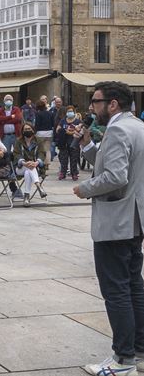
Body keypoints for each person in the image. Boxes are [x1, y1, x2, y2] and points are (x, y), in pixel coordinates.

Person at [73, 82, 144, 376]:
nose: (92, 107)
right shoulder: (137, 126)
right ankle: (139, 351)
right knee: (134, 286)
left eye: (96, 101)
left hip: (117, 220)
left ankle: (123, 360)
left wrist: (84, 188)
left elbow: (114, 176)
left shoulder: (116, 130)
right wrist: (87, 145)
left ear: (112, 104)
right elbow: (112, 163)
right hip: (136, 218)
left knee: (115, 290)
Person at [13, 123, 45, 207]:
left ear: (33, 130)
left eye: (29, 129)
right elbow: (16, 154)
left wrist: (36, 162)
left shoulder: (38, 141)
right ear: (22, 131)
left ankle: (26, 197)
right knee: (29, 168)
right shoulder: (18, 141)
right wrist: (24, 162)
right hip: (20, 167)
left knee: (28, 172)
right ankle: (38, 185)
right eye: (25, 129)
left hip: (34, 166)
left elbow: (42, 153)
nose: (27, 131)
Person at [55, 105, 82, 181]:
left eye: (71, 111)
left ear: (74, 112)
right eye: (68, 111)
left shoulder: (77, 121)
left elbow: (80, 130)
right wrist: (65, 131)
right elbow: (57, 129)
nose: (70, 113)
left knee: (74, 159)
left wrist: (71, 132)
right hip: (64, 143)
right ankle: (63, 173)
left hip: (74, 143)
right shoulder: (63, 120)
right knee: (64, 159)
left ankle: (74, 173)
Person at [33, 100, 56, 166]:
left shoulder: (38, 114)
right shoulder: (50, 113)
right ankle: (47, 163)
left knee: (40, 149)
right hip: (49, 132)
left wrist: (34, 132)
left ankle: (41, 162)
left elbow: (37, 124)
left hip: (40, 133)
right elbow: (53, 124)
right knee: (47, 149)